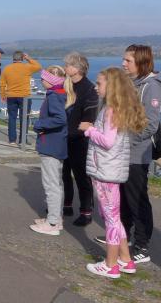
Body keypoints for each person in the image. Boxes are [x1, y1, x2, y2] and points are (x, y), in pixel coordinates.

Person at [81, 67, 146, 278]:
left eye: (99, 83)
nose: (95, 87)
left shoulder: (110, 110)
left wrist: (89, 130)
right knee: (114, 217)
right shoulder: (119, 109)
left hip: (105, 170)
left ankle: (110, 264)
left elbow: (107, 141)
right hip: (112, 169)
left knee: (110, 218)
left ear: (111, 87)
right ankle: (125, 259)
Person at [99, 44, 161, 264]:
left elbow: (151, 124)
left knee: (137, 199)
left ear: (141, 62)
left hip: (136, 153)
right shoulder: (132, 83)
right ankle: (120, 237)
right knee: (123, 198)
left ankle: (142, 245)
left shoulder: (151, 87)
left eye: (128, 61)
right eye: (124, 59)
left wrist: (125, 141)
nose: (123, 63)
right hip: (123, 152)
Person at [29, 66, 73, 236]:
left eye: (44, 77)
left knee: (51, 184)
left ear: (51, 80)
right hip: (57, 143)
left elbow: (60, 119)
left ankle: (53, 222)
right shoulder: (62, 94)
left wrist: (39, 125)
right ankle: (55, 218)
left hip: (50, 144)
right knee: (56, 183)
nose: (41, 80)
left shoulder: (54, 96)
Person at [62, 52, 99, 226]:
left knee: (82, 176)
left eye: (67, 65)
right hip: (64, 137)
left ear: (77, 68)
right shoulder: (67, 84)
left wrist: (74, 131)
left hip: (79, 139)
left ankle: (86, 211)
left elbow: (89, 118)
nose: (65, 67)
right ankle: (67, 204)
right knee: (64, 174)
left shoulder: (89, 89)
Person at [0, 51, 41, 144]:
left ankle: (12, 140)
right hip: (24, 96)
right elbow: (38, 67)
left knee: (12, 118)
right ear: (22, 58)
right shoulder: (27, 67)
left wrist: (3, 95)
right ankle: (23, 140)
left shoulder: (7, 68)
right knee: (24, 118)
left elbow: (2, 83)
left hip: (11, 96)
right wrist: (28, 58)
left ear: (13, 58)